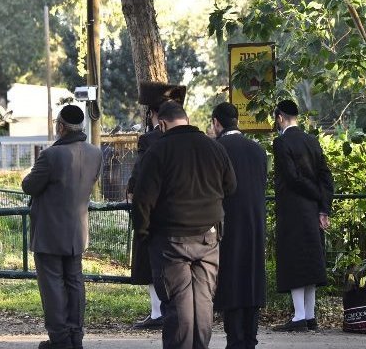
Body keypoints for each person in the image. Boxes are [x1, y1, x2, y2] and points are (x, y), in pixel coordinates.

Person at [133, 101, 237, 349]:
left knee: (179, 306)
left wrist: (144, 233)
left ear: (162, 124)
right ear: (187, 120)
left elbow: (143, 200)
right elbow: (231, 186)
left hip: (171, 239)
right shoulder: (215, 147)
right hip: (209, 237)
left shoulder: (158, 152)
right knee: (203, 302)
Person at [22, 105, 103, 349]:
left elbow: (29, 186)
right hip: (77, 231)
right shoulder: (95, 153)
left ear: (61, 127)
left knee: (53, 286)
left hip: (49, 232)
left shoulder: (51, 155)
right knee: (75, 282)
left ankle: (59, 339)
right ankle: (76, 336)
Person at [127, 81, 187, 330]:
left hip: (155, 207)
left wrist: (131, 190)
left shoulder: (149, 139)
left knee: (150, 260)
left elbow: (141, 172)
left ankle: (157, 312)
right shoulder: (190, 137)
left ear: (153, 114)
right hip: (184, 209)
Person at [270, 99, 334, 332]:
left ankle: (299, 317)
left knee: (294, 259)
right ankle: (309, 315)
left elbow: (292, 177)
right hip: (313, 210)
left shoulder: (281, 142)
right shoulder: (312, 140)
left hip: (293, 209)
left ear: (279, 117)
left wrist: (315, 194)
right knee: (311, 260)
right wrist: (323, 207)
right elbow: (326, 177)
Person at [211, 102, 268, 349]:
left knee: (231, 279)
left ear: (216, 122)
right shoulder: (257, 150)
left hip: (227, 223)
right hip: (255, 223)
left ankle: (235, 339)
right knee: (252, 278)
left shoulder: (217, 149)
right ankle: (250, 338)